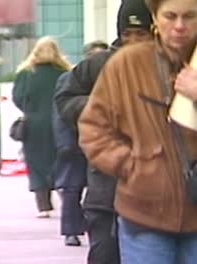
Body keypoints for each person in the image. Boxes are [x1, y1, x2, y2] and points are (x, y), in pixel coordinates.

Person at [78, 0, 197, 263]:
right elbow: (93, 129)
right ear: (155, 17)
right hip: (144, 213)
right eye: (170, 16)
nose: (179, 26)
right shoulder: (127, 64)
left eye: (189, 17)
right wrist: (133, 166)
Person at [54, 0, 153, 262]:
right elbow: (65, 99)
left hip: (153, 187)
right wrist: (101, 107)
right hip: (105, 187)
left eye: (140, 34)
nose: (133, 41)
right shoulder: (98, 65)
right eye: (127, 35)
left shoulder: (164, 63)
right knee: (105, 252)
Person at [52, 40, 108, 247]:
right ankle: (71, 231)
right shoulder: (70, 79)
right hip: (75, 143)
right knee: (72, 188)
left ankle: (89, 225)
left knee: (97, 190)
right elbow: (60, 113)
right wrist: (64, 143)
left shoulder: (117, 78)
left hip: (103, 144)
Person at [12, 36, 72, 218]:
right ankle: (65, 196)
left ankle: (43, 205)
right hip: (59, 122)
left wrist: (29, 109)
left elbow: (18, 97)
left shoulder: (26, 73)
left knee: (36, 162)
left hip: (34, 124)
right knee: (60, 159)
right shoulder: (64, 72)